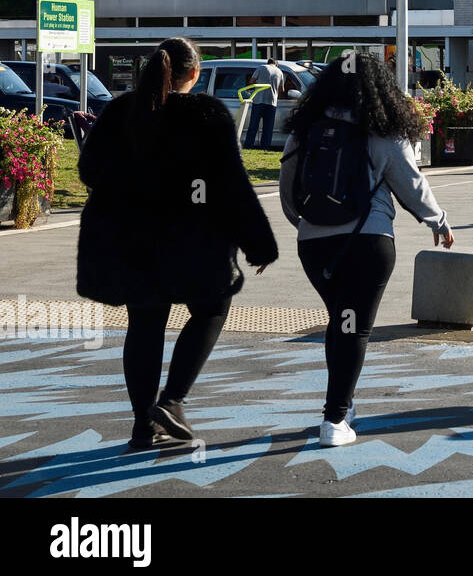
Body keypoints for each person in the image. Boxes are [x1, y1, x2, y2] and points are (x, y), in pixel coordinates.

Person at [76, 37, 278, 450]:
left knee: (145, 324)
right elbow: (232, 186)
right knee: (213, 307)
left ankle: (141, 426)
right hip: (193, 244)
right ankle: (172, 400)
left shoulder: (119, 110)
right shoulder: (207, 115)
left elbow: (89, 170)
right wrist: (259, 244)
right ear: (195, 73)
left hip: (132, 243)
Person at [280, 53, 453, 447]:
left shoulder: (306, 128)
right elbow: (411, 184)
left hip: (315, 245)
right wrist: (439, 221)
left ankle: (344, 405)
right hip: (367, 242)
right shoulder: (382, 130)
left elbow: (288, 186)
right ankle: (334, 421)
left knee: (340, 321)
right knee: (354, 327)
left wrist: (306, 226)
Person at [243, 57, 285, 151]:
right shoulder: (280, 72)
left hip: (259, 101)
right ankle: (265, 148)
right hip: (272, 103)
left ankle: (248, 146)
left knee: (253, 126)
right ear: (276, 64)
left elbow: (251, 81)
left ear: (268, 62)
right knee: (268, 128)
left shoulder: (261, 67)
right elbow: (282, 89)